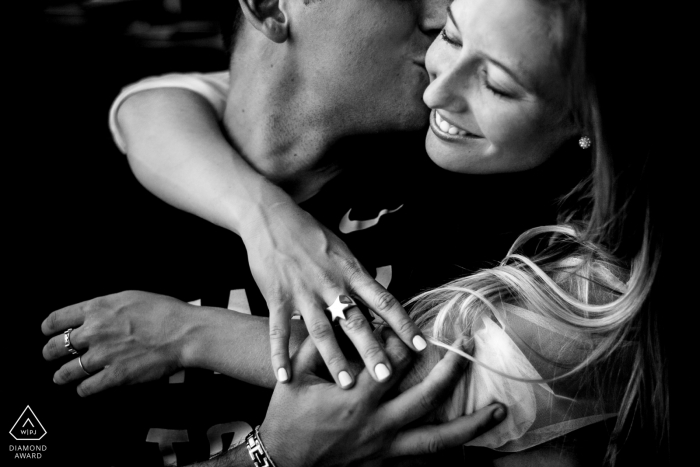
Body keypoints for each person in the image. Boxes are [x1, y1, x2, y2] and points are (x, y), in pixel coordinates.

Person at [43, 0, 669, 464]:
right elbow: (154, 99)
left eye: (499, 83)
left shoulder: (518, 208)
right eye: (451, 27)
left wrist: (190, 338)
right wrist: (266, 219)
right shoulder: (103, 202)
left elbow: (445, 379)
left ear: (582, 118)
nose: (436, 32)